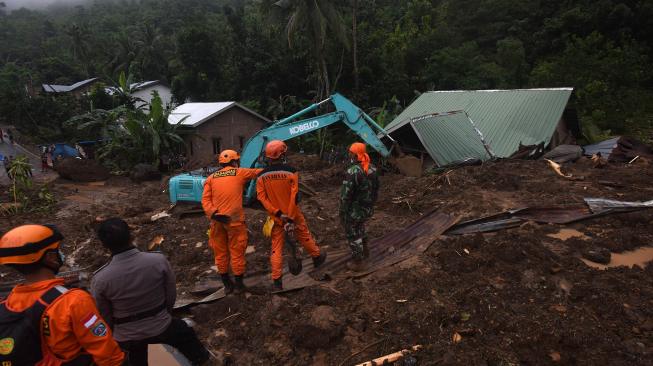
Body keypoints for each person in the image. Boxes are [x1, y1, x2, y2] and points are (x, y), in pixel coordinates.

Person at [0, 224, 125, 366]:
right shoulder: (74, 300)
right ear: (50, 257)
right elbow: (105, 350)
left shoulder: (7, 303)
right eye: (57, 250)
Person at [91, 218, 209, 366]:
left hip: (127, 339)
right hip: (162, 325)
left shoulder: (100, 279)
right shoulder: (158, 261)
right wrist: (162, 315)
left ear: (104, 245)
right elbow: (171, 295)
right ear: (131, 236)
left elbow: (104, 315)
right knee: (191, 343)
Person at [256, 140, 326, 290]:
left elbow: (262, 198)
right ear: (282, 154)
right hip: (293, 214)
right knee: (304, 235)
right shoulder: (291, 172)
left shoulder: (261, 176)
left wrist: (279, 214)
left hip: (276, 218)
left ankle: (277, 281)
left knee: (276, 248)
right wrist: (290, 217)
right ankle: (317, 257)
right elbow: (294, 197)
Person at [201, 149, 262, 293]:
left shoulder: (211, 178)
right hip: (234, 221)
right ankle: (239, 285)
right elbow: (257, 172)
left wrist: (214, 213)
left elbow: (205, 200)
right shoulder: (239, 172)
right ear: (234, 161)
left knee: (220, 252)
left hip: (216, 221)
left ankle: (227, 285)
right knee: (237, 251)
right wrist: (273, 167)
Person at [339, 142, 380, 271]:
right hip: (367, 207)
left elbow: (346, 195)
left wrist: (342, 211)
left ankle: (358, 262)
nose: (349, 154)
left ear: (354, 154)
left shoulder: (353, 171)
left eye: (350, 152)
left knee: (352, 233)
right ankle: (365, 251)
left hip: (354, 209)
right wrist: (371, 204)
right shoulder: (372, 168)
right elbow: (376, 189)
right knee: (360, 226)